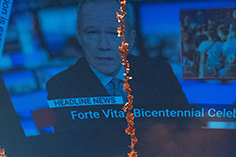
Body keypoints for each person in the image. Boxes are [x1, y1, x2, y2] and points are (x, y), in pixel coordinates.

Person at [45, 0, 188, 108]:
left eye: (115, 33)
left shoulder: (160, 73)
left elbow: (187, 127)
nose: (103, 45)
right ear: (80, 37)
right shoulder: (61, 86)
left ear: (131, 40)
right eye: (92, 33)